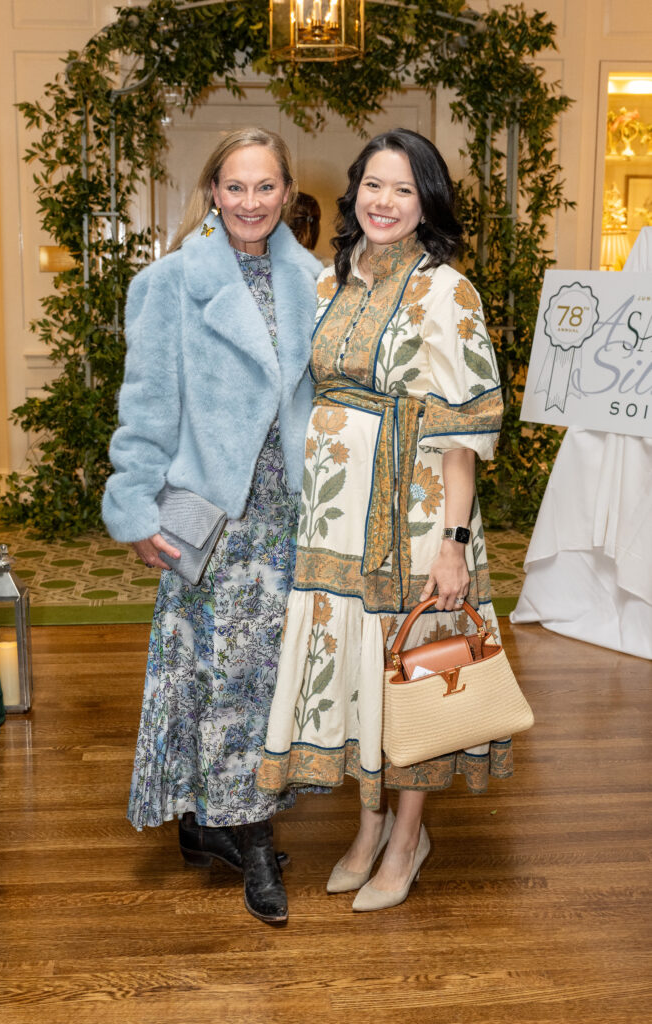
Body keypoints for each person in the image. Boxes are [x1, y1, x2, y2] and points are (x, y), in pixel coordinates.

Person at [257, 128, 508, 912]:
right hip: (332, 522)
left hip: (413, 514)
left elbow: (462, 437)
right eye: (373, 184)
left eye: (403, 189)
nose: (384, 201)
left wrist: (454, 546)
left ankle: (405, 839)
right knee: (363, 676)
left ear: (426, 200)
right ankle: (366, 827)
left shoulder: (446, 291)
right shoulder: (333, 281)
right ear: (353, 192)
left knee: (413, 673)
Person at [102, 127, 322, 925]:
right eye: (236, 186)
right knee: (215, 673)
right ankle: (250, 833)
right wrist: (132, 504)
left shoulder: (315, 283)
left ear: (289, 193)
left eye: (266, 187)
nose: (251, 202)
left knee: (260, 676)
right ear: (212, 191)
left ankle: (210, 822)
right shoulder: (170, 284)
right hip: (209, 517)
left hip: (288, 515)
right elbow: (148, 406)